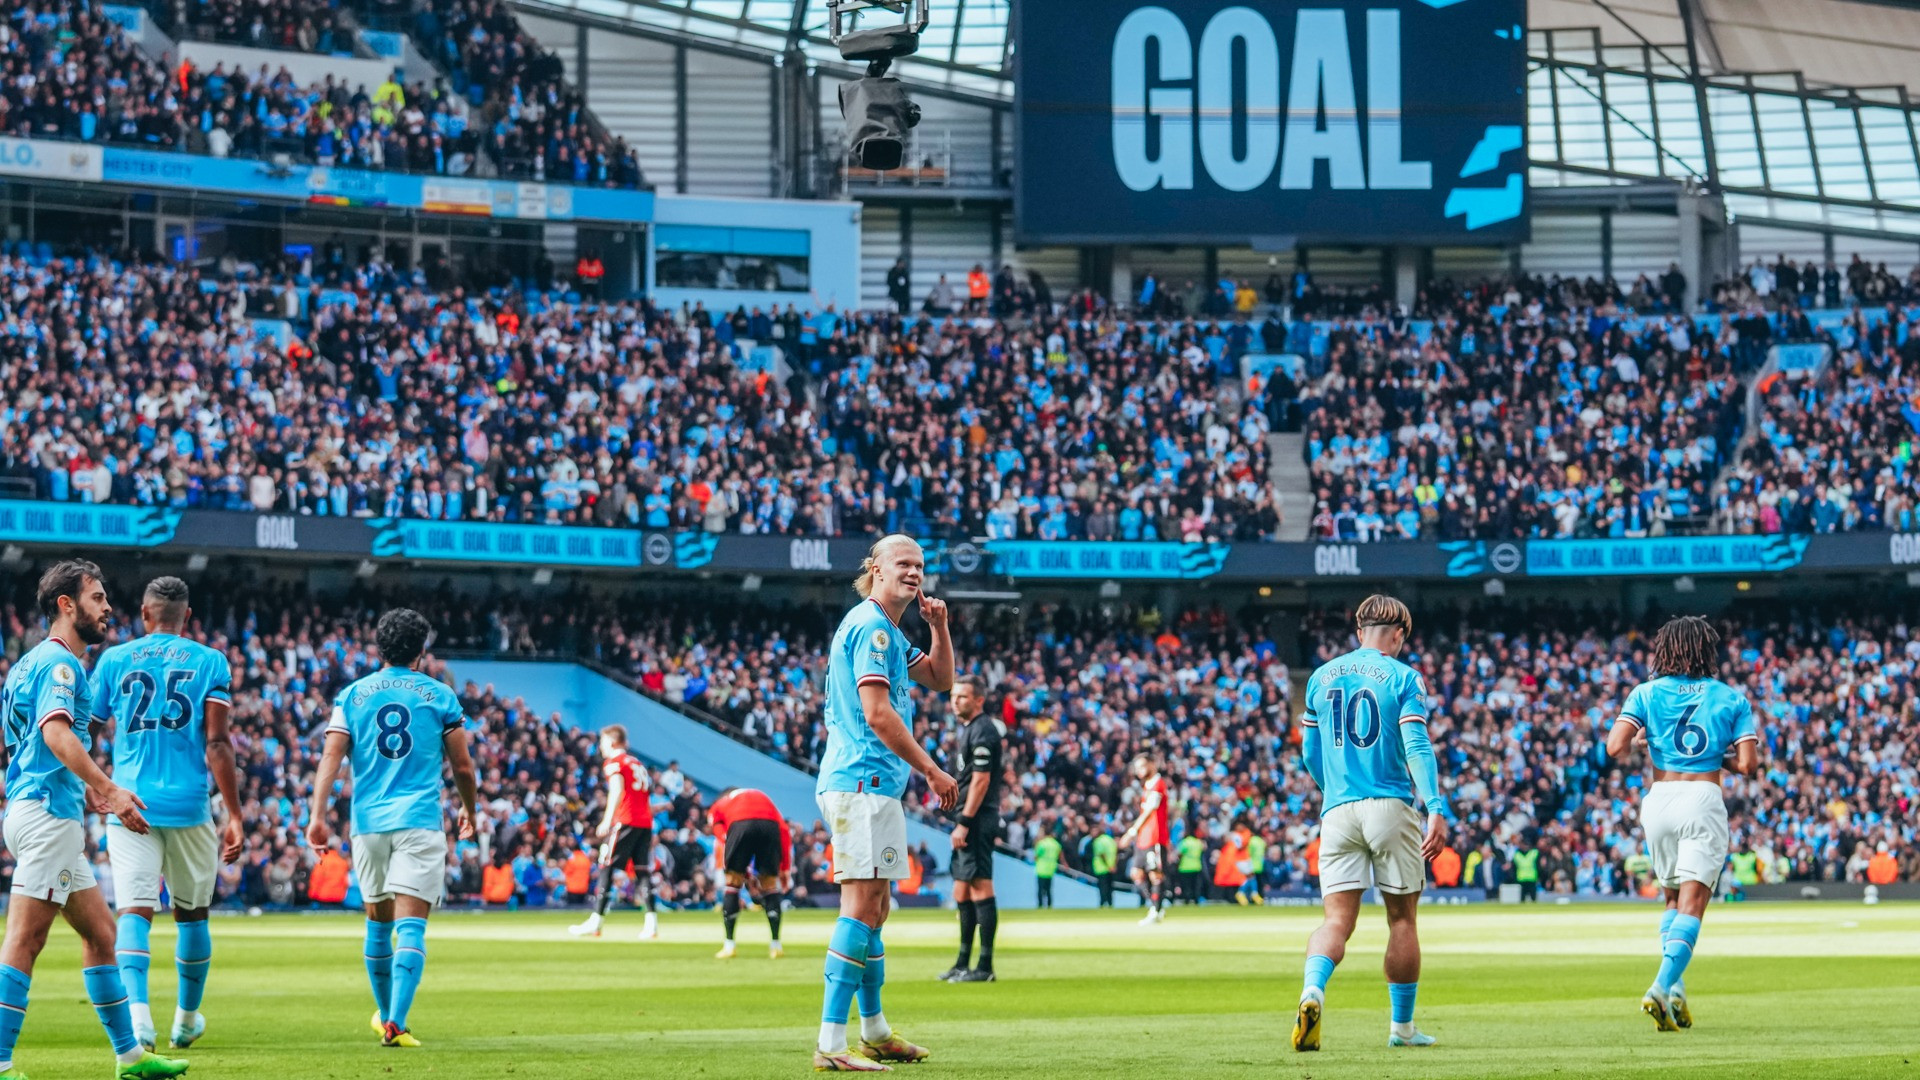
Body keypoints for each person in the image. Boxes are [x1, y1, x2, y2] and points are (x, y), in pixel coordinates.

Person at [0, 561, 188, 1080]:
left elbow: (34, 745)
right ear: (67, 605)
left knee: (102, 935)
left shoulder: (26, 664)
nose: (108, 608)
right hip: (46, 818)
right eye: (98, 598)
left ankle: (130, 1058)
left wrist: (87, 789)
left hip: (33, 808)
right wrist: (109, 789)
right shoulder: (63, 667)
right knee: (25, 939)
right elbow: (58, 736)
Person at [811, 535, 957, 1072]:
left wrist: (939, 625)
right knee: (861, 907)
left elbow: (942, 680)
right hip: (863, 781)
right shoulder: (873, 627)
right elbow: (877, 714)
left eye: (920, 565)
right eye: (903, 563)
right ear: (875, 569)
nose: (914, 572)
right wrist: (933, 769)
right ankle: (831, 1044)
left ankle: (874, 1031)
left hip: (874, 786)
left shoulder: (888, 630)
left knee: (877, 908)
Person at [307, 608, 479, 1049]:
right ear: (421, 651)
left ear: (379, 647)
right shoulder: (439, 695)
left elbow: (331, 757)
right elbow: (461, 764)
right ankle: (396, 1024)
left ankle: (385, 1015)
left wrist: (318, 815)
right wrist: (470, 810)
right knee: (412, 928)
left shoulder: (354, 694)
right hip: (419, 821)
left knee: (378, 924)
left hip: (368, 825)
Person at [91, 577, 244, 1051]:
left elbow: (88, 729)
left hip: (131, 804)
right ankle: (185, 1019)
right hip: (188, 805)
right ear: (188, 616)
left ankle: (139, 1021)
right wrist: (234, 815)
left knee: (134, 912)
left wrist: (97, 785)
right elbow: (217, 743)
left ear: (144, 613)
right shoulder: (209, 661)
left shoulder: (114, 660)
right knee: (192, 915)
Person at [1293, 594, 1448, 1053]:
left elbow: (1308, 751)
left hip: (1338, 811)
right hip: (1389, 806)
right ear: (1398, 634)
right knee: (1402, 920)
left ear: (1359, 630)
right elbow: (1417, 745)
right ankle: (1402, 1028)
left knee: (1336, 920)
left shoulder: (1321, 677)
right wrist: (1435, 805)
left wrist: (1333, 790)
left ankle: (1312, 991)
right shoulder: (1404, 677)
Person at [1605, 615, 1760, 1033]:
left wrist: (1645, 741)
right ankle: (1660, 986)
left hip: (1659, 801)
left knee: (1672, 902)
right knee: (1694, 905)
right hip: (1702, 799)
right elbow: (1748, 765)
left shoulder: (1645, 693)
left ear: (1665, 651)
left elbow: (1615, 746)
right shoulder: (1731, 698)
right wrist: (1717, 756)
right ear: (1707, 652)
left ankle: (1676, 992)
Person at [942, 675, 1006, 983]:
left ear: (979, 700)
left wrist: (965, 822)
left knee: (981, 885)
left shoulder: (983, 730)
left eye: (963, 697)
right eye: (954, 696)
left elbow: (981, 780)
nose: (956, 701)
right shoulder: (969, 729)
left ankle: (985, 966)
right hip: (967, 817)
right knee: (961, 887)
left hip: (977, 819)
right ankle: (963, 962)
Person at [568, 725, 659, 939]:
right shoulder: (637, 763)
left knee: (606, 866)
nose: (600, 747)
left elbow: (617, 790)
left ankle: (596, 920)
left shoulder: (615, 763)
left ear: (612, 742)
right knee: (642, 870)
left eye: (602, 742)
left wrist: (607, 820)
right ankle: (651, 923)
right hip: (644, 822)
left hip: (625, 820)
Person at [708, 786, 792, 959]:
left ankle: (729, 946)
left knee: (732, 884)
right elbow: (784, 831)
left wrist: (730, 843)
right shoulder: (764, 797)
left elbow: (716, 826)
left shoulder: (722, 802)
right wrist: (785, 868)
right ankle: (776, 945)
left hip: (739, 825)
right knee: (770, 886)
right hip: (770, 826)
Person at [1119, 755, 1171, 924]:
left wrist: (1132, 831)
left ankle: (1155, 910)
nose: (1138, 771)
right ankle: (1157, 905)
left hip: (1155, 836)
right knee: (1136, 873)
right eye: (1137, 768)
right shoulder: (1148, 786)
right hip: (1144, 837)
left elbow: (1150, 810)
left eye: (1142, 766)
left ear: (1152, 764)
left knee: (1155, 874)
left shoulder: (1158, 784)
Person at [1174, 828, 1206, 903]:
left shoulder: (1185, 842)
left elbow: (1178, 853)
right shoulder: (1198, 842)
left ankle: (1187, 900)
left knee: (1187, 886)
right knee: (1195, 885)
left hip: (1185, 867)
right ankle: (1196, 900)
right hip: (1196, 866)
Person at [1033, 831, 1062, 909]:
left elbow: (1036, 856)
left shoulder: (1041, 843)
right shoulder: (1056, 844)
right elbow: (1060, 855)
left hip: (1041, 869)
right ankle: (1049, 905)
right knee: (1049, 889)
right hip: (1051, 869)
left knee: (1040, 889)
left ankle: (1040, 905)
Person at [1090, 828, 1118, 907]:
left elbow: (1102, 854)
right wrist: (1113, 866)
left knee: (1102, 887)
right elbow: (1116, 854)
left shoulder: (1098, 841)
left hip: (1101, 868)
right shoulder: (1111, 840)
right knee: (1110, 887)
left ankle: (1102, 903)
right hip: (1112, 868)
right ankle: (1110, 903)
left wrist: (1108, 866)